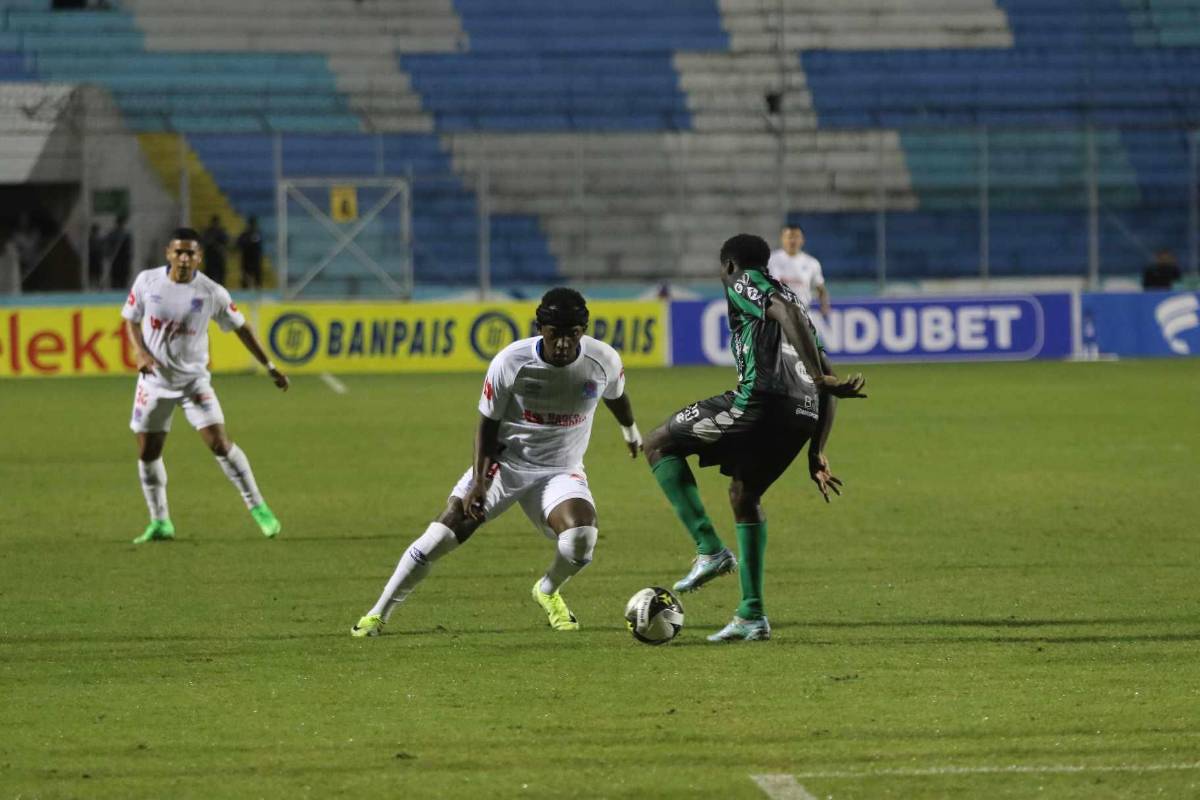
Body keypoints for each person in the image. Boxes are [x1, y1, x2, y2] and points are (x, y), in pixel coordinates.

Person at [351, 287, 642, 637]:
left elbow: (617, 396)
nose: (563, 344)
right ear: (540, 329)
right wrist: (479, 482)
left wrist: (630, 430)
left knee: (581, 539)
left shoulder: (603, 360)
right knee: (439, 537)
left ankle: (547, 591)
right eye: (555, 335)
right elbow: (486, 426)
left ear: (583, 331)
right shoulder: (511, 362)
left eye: (572, 335)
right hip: (505, 464)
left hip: (561, 470)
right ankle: (377, 614)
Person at [642, 233, 865, 642]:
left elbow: (795, 332)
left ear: (728, 266)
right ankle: (752, 614)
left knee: (656, 443)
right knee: (745, 494)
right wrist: (817, 450)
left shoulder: (745, 282)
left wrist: (819, 377)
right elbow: (827, 372)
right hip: (804, 413)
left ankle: (709, 549)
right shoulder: (798, 300)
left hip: (762, 403)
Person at [122, 227, 289, 544]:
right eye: (179, 251)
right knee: (148, 452)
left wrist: (269, 366)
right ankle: (160, 522)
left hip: (193, 382)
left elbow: (242, 328)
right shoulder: (147, 282)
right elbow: (131, 318)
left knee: (220, 445)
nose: (184, 258)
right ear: (168, 253)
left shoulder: (211, 292)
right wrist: (140, 352)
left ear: (199, 258)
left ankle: (259, 509)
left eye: (191, 253)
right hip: (154, 382)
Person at [767, 224, 831, 317]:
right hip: (778, 315)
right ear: (782, 239)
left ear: (802, 240)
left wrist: (824, 306)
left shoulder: (811, 263)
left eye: (796, 237)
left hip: (803, 314)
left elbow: (820, 289)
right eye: (789, 237)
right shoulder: (770, 260)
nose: (792, 241)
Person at [201, 215, 229, 287]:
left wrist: (218, 246)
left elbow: (226, 242)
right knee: (209, 277)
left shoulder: (221, 232)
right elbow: (204, 243)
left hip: (219, 259)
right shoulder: (208, 232)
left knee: (221, 278)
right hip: (210, 259)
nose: (215, 225)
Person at [106, 213, 132, 289]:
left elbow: (129, 249)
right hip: (116, 260)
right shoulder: (113, 234)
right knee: (115, 280)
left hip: (123, 260)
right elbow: (109, 247)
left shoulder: (126, 235)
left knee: (122, 280)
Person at [236, 216, 263, 290]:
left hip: (253, 259)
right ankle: (246, 290)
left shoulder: (256, 233)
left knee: (255, 277)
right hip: (248, 259)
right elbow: (239, 243)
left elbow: (257, 244)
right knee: (247, 276)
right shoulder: (246, 234)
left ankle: (256, 289)